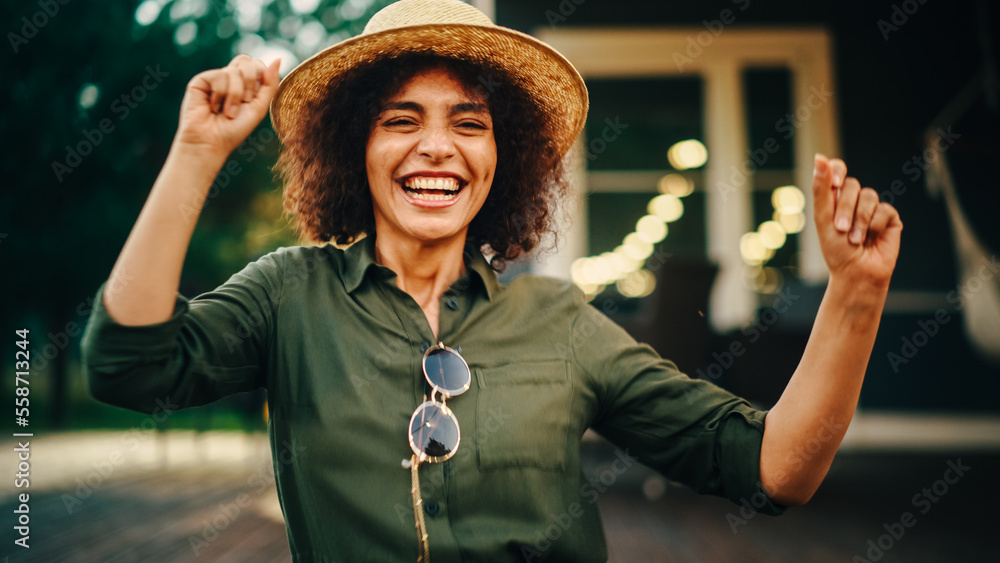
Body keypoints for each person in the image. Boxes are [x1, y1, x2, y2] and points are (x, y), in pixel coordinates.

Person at [81, 0, 903, 561]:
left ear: (500, 159)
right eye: (401, 119)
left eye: (467, 123)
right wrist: (196, 155)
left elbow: (773, 469)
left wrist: (855, 296)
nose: (437, 146)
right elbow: (128, 364)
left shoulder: (564, 322)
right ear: (351, 150)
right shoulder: (289, 294)